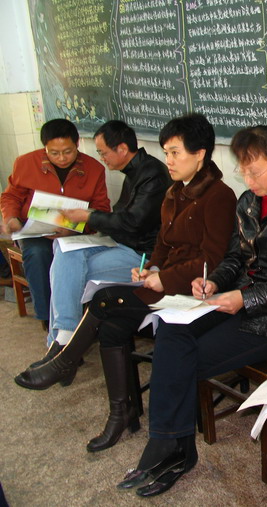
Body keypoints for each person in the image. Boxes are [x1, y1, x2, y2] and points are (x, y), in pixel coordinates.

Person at [115, 125, 267, 498]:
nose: (249, 180)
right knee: (171, 331)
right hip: (237, 298)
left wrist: (244, 300)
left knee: (185, 357)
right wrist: (213, 281)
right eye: (243, 171)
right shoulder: (247, 202)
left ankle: (172, 450)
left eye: (255, 171)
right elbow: (233, 257)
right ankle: (171, 446)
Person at [11, 113, 237, 451]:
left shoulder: (219, 195)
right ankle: (121, 412)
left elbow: (212, 259)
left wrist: (163, 277)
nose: (168, 161)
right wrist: (151, 268)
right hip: (164, 283)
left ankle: (65, 359)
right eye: (166, 153)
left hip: (191, 289)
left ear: (200, 153)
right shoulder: (174, 190)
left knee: (106, 300)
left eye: (175, 153)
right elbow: (162, 243)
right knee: (112, 324)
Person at [14, 120, 170, 386]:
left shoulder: (151, 174)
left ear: (122, 149)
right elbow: (121, 217)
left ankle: (60, 348)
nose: (101, 158)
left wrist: (88, 217)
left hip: (141, 256)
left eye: (103, 152)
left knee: (65, 272)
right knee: (62, 250)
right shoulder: (135, 170)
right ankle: (62, 345)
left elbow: (132, 222)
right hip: (119, 243)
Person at [0, 118, 110, 328]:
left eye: (68, 152)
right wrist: (11, 218)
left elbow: (101, 209)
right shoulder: (26, 163)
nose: (61, 158)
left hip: (75, 231)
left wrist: (74, 229)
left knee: (75, 255)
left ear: (77, 144)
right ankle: (48, 317)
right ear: (45, 148)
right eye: (54, 153)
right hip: (35, 232)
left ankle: (80, 313)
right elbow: (11, 196)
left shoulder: (94, 168)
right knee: (38, 253)